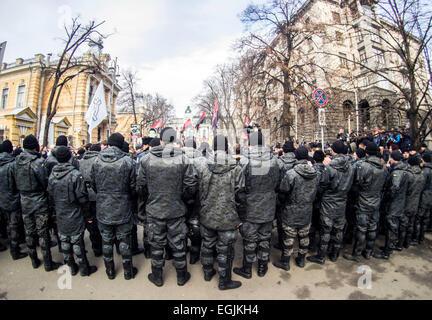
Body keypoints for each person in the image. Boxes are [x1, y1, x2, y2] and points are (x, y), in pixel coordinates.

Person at [186, 134, 246, 290]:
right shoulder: (236, 168)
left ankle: (207, 272)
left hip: (207, 215)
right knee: (225, 250)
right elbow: (240, 195)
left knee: (207, 244)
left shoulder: (202, 166)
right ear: (226, 147)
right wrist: (241, 216)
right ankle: (224, 281)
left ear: (213, 147)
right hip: (229, 216)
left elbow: (193, 189)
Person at [136, 128, 192, 287]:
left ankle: (157, 276)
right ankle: (181, 277)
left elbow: (140, 187)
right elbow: (191, 186)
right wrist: (180, 199)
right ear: (174, 141)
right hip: (176, 210)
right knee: (178, 244)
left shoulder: (146, 160)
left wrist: (151, 199)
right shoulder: (183, 159)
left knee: (157, 244)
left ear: (160, 140)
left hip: (155, 210)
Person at [90, 133, 138, 280]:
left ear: (109, 144)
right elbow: (133, 187)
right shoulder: (128, 161)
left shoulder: (96, 160)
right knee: (124, 240)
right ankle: (128, 272)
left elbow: (93, 185)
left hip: (103, 207)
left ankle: (110, 271)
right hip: (122, 206)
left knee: (107, 240)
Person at [233, 131, 280, 279]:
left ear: (251, 144)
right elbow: (277, 183)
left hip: (250, 207)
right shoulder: (274, 160)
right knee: (265, 238)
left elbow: (239, 188)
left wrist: (240, 209)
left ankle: (247, 269)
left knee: (250, 240)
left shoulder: (245, 161)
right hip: (268, 206)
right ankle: (262, 267)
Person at [14, 135, 62, 271]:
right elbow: (45, 182)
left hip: (24, 201)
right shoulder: (37, 162)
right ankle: (48, 263)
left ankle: (34, 260)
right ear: (35, 146)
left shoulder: (16, 161)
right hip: (39, 201)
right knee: (43, 233)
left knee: (29, 231)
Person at [47, 146, 97, 276]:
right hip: (74, 211)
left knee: (64, 240)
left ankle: (71, 267)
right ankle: (84, 268)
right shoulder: (75, 175)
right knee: (76, 241)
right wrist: (88, 215)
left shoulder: (52, 174)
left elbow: (50, 195)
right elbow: (82, 198)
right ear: (70, 158)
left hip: (60, 211)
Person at [308, 140, 355, 265]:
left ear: (334, 151)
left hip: (329, 201)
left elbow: (322, 184)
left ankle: (321, 255)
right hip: (342, 200)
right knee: (338, 229)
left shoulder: (330, 167)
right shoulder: (351, 166)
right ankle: (334, 254)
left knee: (326, 230)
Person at [273, 146, 319, 271]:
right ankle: (301, 259)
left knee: (289, 237)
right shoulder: (315, 173)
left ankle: (285, 261)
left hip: (291, 210)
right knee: (304, 235)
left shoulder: (291, 174)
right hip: (307, 210)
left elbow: (283, 192)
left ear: (296, 157)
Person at [344, 142, 388, 262]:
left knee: (362, 228)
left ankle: (357, 254)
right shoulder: (383, 167)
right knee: (372, 227)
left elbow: (357, 183)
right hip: (376, 200)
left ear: (367, 152)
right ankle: (368, 251)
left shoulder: (364, 166)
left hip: (364, 201)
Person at [374, 151, 409, 259]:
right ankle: (389, 247)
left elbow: (394, 188)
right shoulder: (404, 170)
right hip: (399, 203)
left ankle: (387, 251)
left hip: (394, 204)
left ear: (392, 158)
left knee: (392, 227)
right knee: (393, 226)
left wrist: (387, 197)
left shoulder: (397, 172)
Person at [0, 140, 28, 259]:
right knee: (13, 225)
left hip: (2, 199)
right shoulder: (13, 165)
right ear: (11, 150)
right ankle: (15, 250)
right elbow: (19, 183)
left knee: (6, 224)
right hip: (13, 200)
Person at [78, 144, 103, 257]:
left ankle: (95, 247)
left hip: (85, 195)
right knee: (99, 221)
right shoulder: (99, 161)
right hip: (97, 195)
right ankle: (101, 247)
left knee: (90, 222)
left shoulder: (81, 161)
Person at [183, 137, 204, 265]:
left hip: (181, 198)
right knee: (195, 224)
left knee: (182, 223)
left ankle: (183, 248)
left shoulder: (178, 160)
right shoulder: (204, 161)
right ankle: (194, 255)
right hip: (199, 198)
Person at [121, 141, 144, 257]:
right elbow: (135, 184)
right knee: (130, 226)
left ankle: (119, 249)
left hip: (110, 204)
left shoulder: (99, 162)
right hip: (128, 200)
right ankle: (133, 248)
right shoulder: (131, 163)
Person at [274, 141, 297, 250]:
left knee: (280, 220)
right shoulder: (298, 162)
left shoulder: (279, 162)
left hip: (281, 195)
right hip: (295, 196)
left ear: (284, 150)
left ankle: (281, 242)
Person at [403, 154, 426, 248]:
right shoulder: (421, 175)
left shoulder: (408, 175)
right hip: (416, 202)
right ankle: (407, 242)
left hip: (407, 201)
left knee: (403, 224)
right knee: (411, 224)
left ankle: (400, 243)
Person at [308, 150, 326, 253]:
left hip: (314, 201)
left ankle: (311, 245)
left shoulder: (313, 170)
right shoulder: (327, 169)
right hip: (324, 202)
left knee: (313, 225)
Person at [415, 153, 432, 243]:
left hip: (424, 197)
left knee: (419, 218)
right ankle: (421, 237)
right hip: (430, 198)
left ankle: (416, 238)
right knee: (425, 218)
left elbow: (421, 185)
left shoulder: (425, 171)